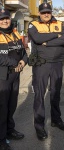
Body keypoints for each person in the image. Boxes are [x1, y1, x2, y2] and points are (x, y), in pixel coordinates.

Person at [28, 3, 64, 140]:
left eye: (48, 12)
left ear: (51, 12)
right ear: (39, 13)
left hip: (57, 63)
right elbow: (37, 39)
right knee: (39, 95)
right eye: (43, 12)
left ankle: (56, 120)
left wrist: (48, 42)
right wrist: (56, 36)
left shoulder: (60, 24)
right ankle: (39, 127)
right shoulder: (33, 25)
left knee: (56, 93)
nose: (46, 14)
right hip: (41, 64)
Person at [0, 9, 27, 150]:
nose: (5, 21)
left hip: (15, 76)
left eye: (6, 18)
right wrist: (14, 63)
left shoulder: (15, 33)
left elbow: (23, 52)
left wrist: (23, 62)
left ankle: (10, 130)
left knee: (11, 106)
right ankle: (1, 139)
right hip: (2, 77)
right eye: (1, 19)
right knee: (2, 108)